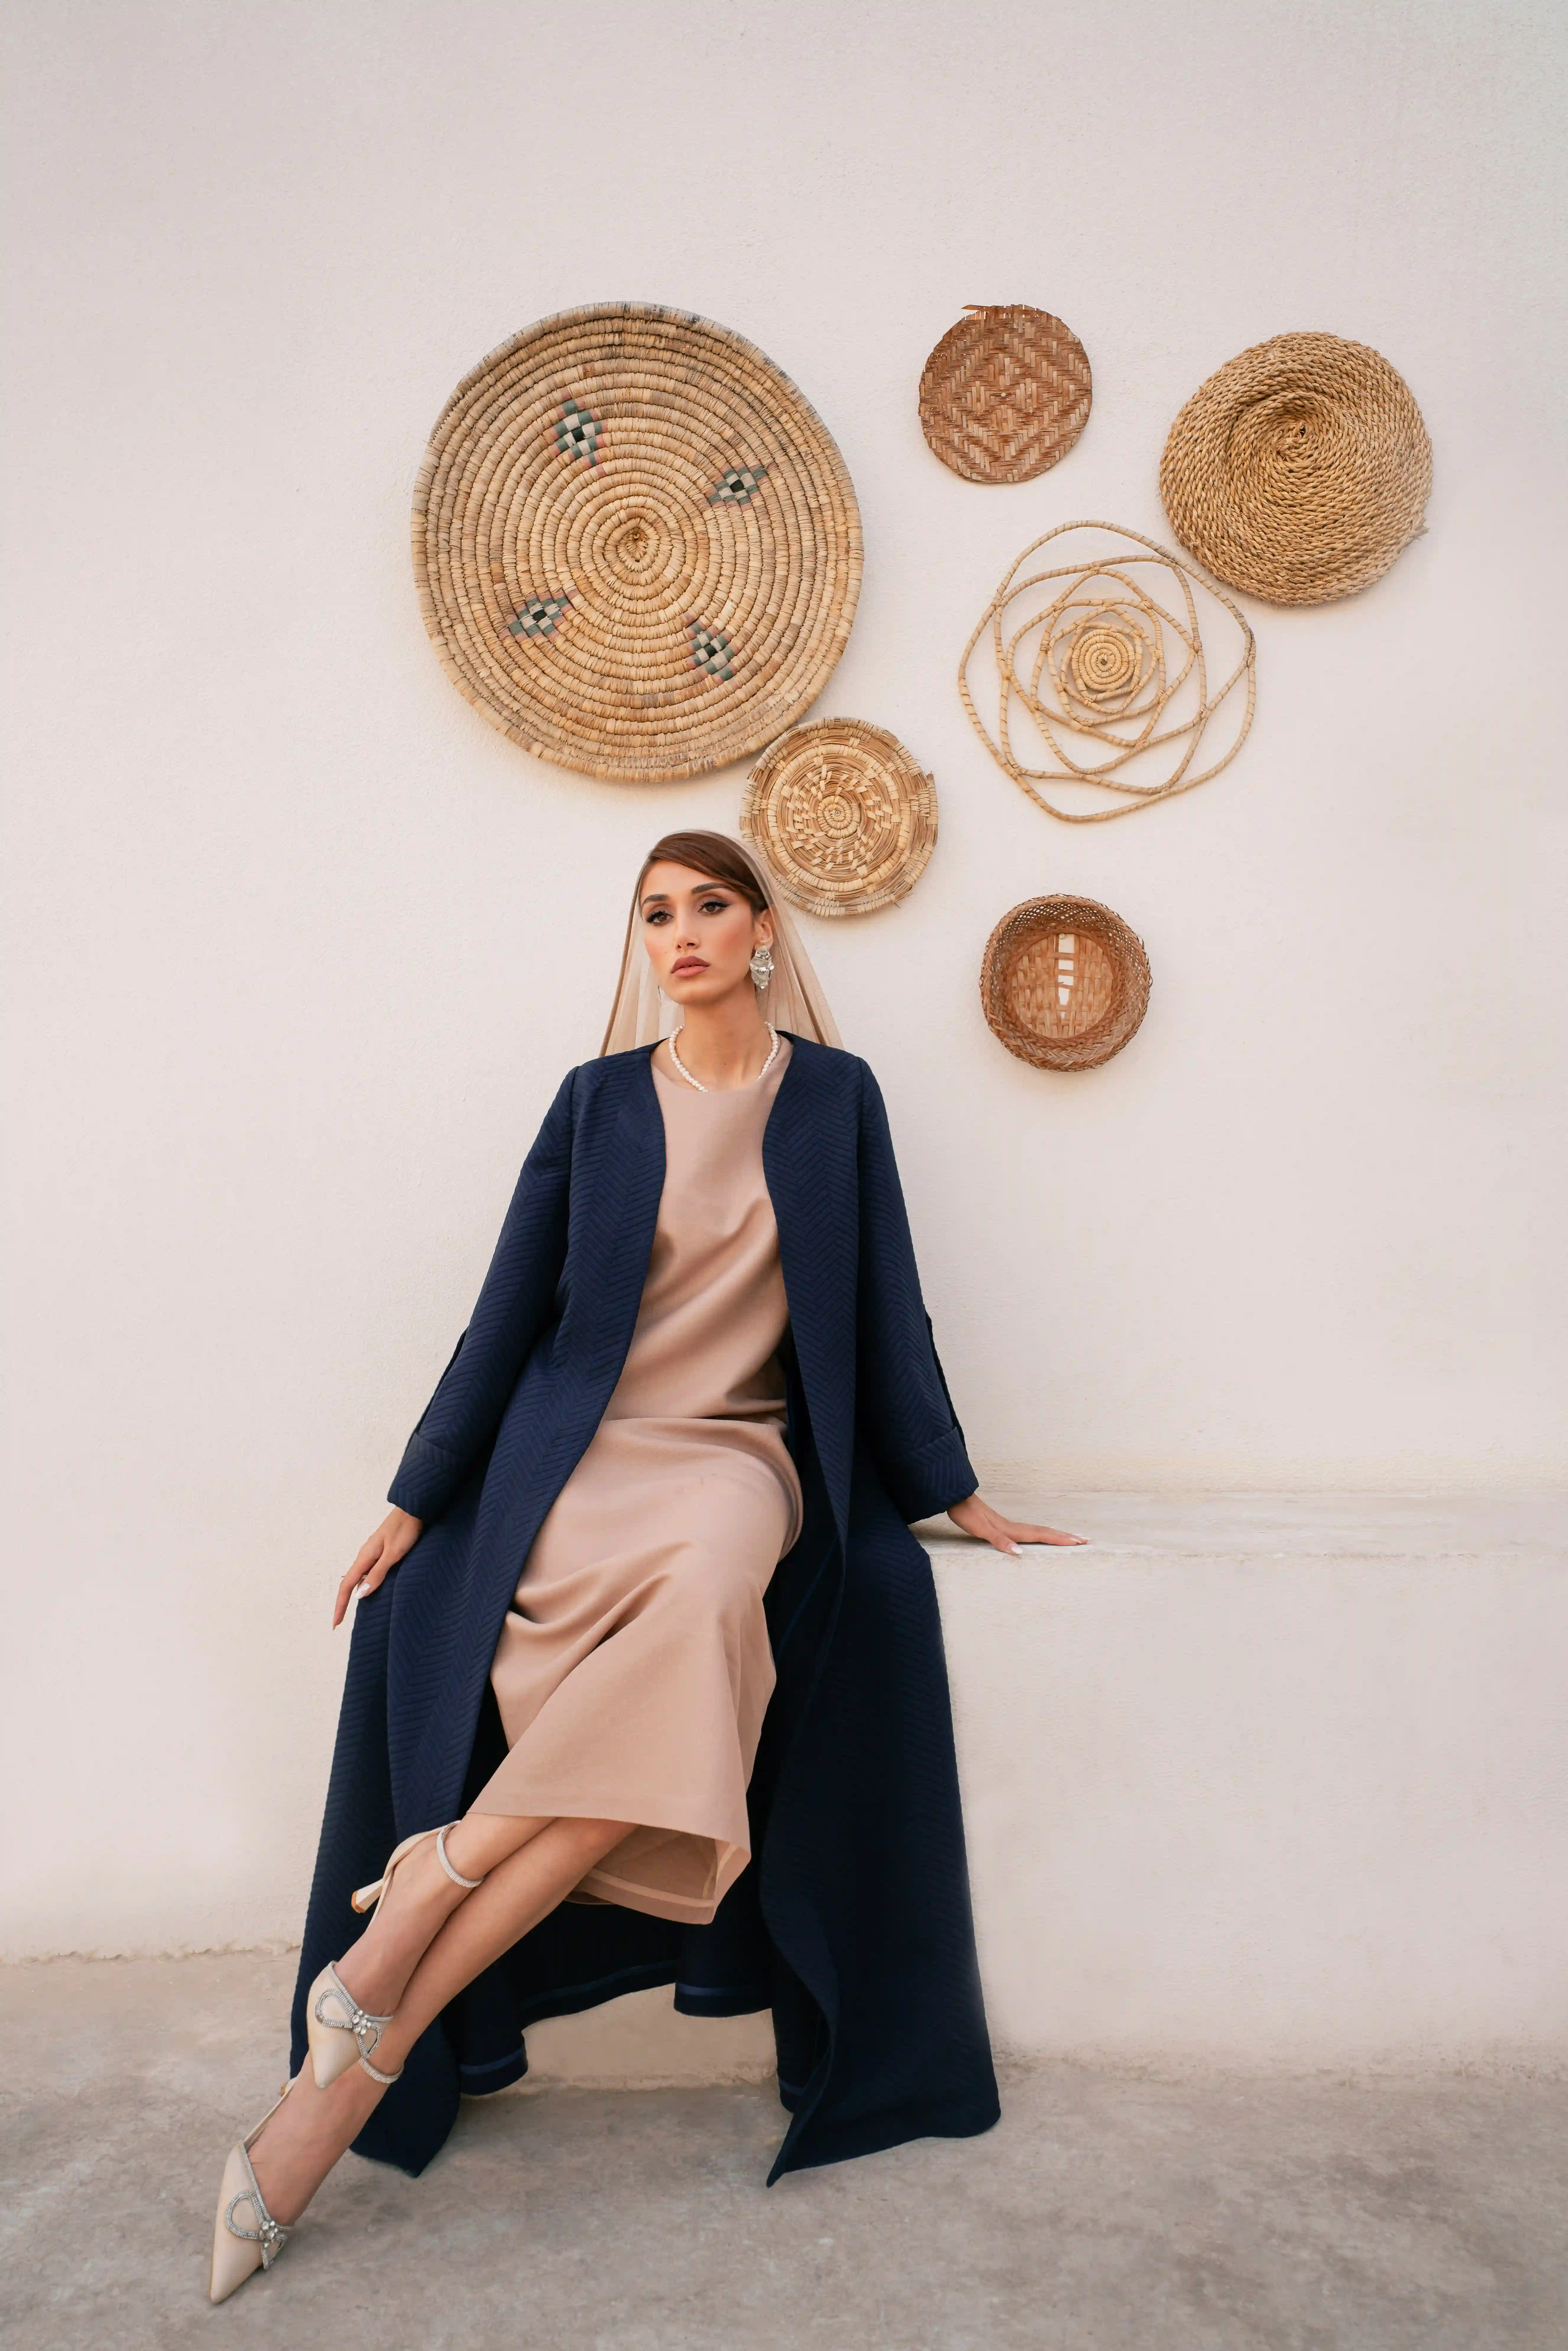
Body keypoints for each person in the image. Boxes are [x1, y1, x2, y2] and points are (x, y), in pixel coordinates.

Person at [209, 830, 1084, 2303]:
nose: (679, 933)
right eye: (656, 912)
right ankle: (364, 2048)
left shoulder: (840, 1098)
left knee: (701, 1611)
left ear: (763, 929)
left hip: (738, 1459)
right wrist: (417, 1495)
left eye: (709, 906)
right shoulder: (598, 1101)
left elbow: (890, 1301)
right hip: (586, 1456)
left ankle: (396, 1956)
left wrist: (957, 1489)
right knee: (662, 1707)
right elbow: (505, 1313)